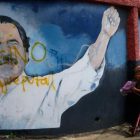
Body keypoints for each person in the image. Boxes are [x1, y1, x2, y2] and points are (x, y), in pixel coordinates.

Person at [0, 6, 120, 129]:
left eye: (13, 44)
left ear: (26, 54)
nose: (5, 52)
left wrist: (104, 36)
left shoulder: (45, 90)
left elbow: (84, 72)